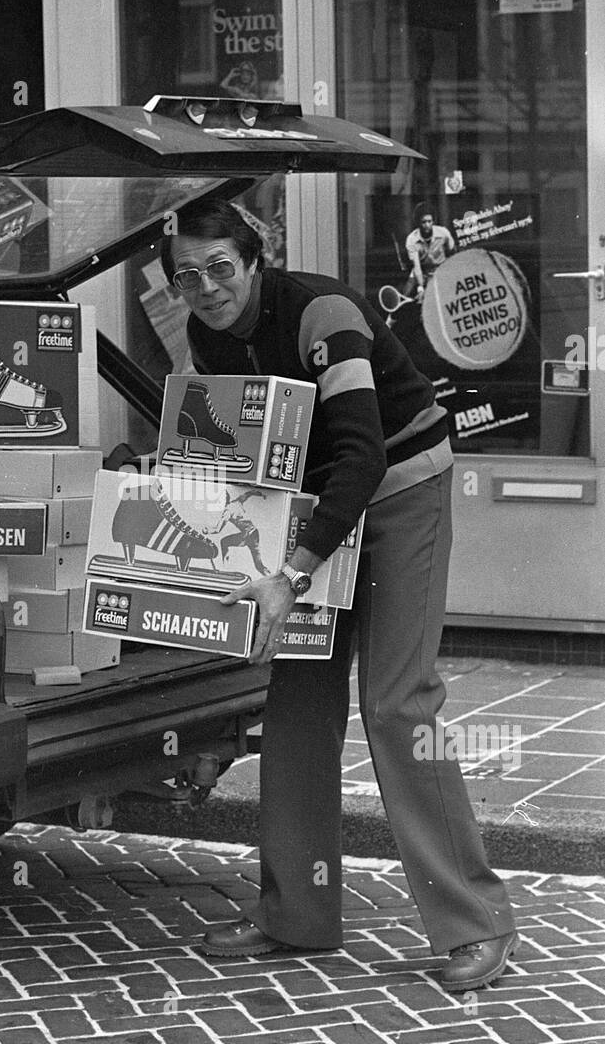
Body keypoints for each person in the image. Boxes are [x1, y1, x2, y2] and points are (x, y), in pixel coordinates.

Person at [160, 199, 518, 993]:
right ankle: (297, 914)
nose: (208, 287)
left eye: (222, 267)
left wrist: (289, 575)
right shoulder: (205, 334)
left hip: (399, 489)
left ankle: (476, 923)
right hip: (318, 511)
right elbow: (253, 448)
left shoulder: (323, 312)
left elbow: (357, 452)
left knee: (398, 704)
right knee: (295, 700)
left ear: (256, 260)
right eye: (189, 275)